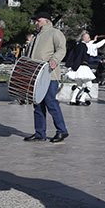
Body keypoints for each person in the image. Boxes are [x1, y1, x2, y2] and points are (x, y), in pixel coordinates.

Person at [23, 13, 68, 143]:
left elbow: (61, 49)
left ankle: (62, 131)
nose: (36, 23)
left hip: (49, 75)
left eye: (38, 20)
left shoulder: (55, 33)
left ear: (47, 21)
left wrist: (55, 59)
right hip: (36, 76)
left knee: (51, 103)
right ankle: (40, 133)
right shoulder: (36, 37)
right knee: (37, 104)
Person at [65, 31, 105, 106]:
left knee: (79, 85)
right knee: (89, 85)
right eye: (89, 38)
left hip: (77, 67)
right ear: (85, 38)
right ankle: (82, 99)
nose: (89, 39)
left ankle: (73, 100)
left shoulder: (78, 46)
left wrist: (93, 40)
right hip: (83, 68)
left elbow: (89, 44)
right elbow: (96, 46)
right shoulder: (85, 46)